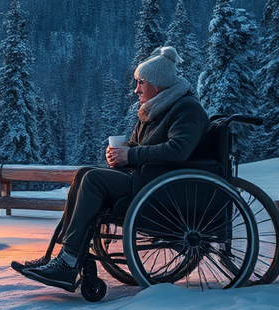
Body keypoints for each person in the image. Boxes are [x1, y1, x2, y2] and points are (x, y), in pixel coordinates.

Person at [13, 46, 209, 292]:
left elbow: (178, 150)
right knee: (84, 173)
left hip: (161, 187)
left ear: (158, 84)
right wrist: (121, 154)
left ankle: (68, 260)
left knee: (93, 179)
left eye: (141, 82)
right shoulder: (159, 108)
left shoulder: (186, 109)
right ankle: (61, 255)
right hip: (146, 178)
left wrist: (130, 155)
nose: (136, 89)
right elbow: (143, 147)